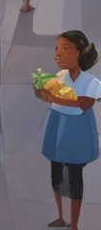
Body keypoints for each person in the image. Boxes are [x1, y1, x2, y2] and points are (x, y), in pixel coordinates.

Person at [38, 30, 100, 230]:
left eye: (65, 48)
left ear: (79, 53)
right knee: (56, 176)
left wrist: (53, 98)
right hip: (57, 126)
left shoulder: (91, 82)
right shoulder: (58, 76)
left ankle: (74, 224)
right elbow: (43, 92)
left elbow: (83, 104)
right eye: (56, 48)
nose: (58, 53)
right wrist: (39, 91)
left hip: (76, 131)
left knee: (74, 179)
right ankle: (62, 217)